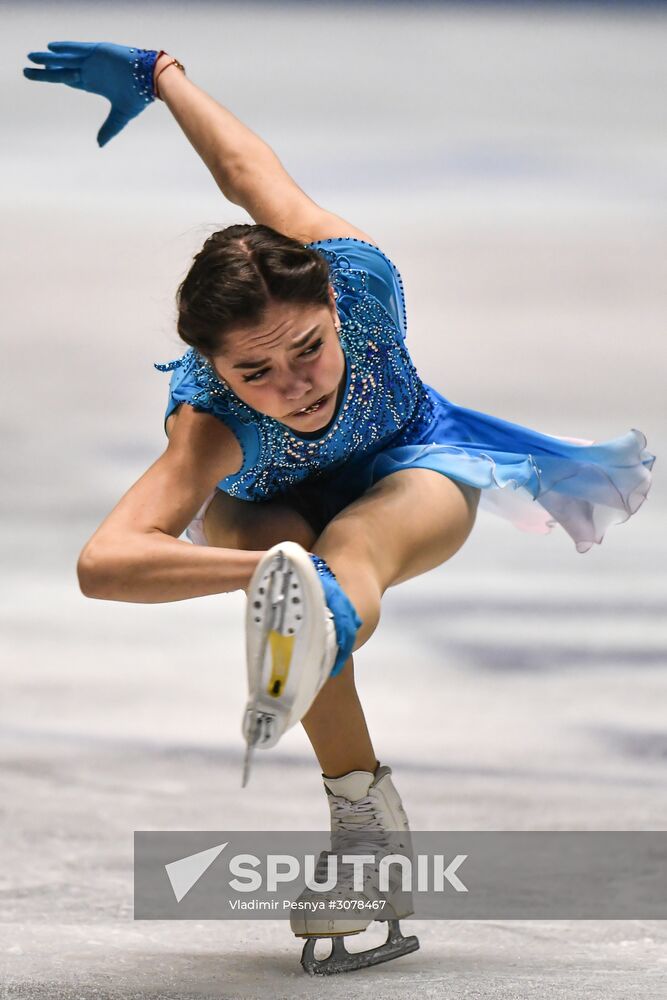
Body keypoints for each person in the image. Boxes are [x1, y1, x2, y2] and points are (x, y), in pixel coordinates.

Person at [24, 42, 655, 976]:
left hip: (415, 460)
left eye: (307, 350)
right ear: (218, 369)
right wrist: (264, 573)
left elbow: (246, 174)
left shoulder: (358, 276)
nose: (291, 385)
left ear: (327, 295)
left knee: (353, 543)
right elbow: (103, 562)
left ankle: (332, 661)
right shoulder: (214, 425)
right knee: (282, 557)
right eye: (254, 371)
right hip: (261, 506)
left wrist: (164, 75)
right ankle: (356, 793)